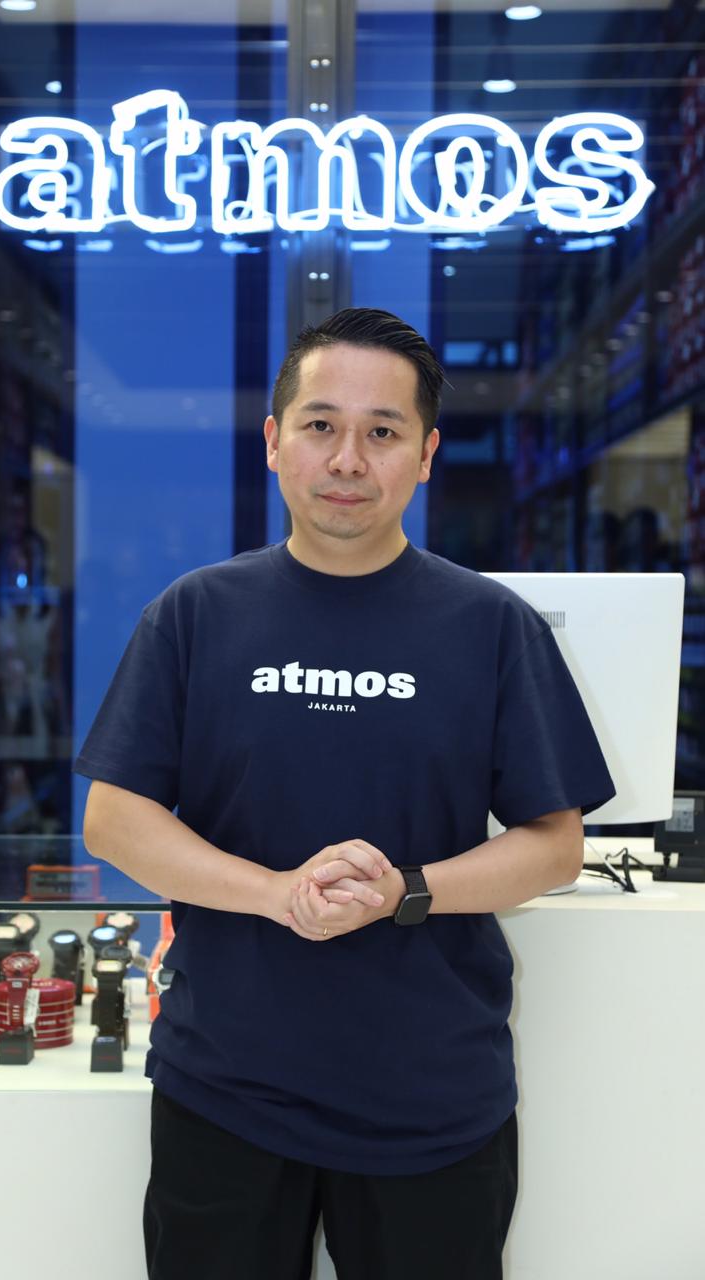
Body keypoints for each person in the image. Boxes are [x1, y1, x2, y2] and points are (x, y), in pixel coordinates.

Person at [75, 307, 615, 1280]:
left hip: (432, 1096)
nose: (347, 459)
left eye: (383, 431)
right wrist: (277, 893)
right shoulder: (194, 615)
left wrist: (405, 889)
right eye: (320, 424)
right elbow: (115, 819)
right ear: (273, 440)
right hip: (225, 1085)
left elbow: (553, 842)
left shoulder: (492, 627)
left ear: (426, 454)